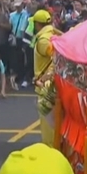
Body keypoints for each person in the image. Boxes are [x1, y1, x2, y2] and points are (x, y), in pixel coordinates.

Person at [32, 9, 60, 147]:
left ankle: (51, 149)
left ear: (38, 24)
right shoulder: (52, 34)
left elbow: (57, 57)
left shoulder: (43, 40)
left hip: (46, 88)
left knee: (48, 126)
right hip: (51, 85)